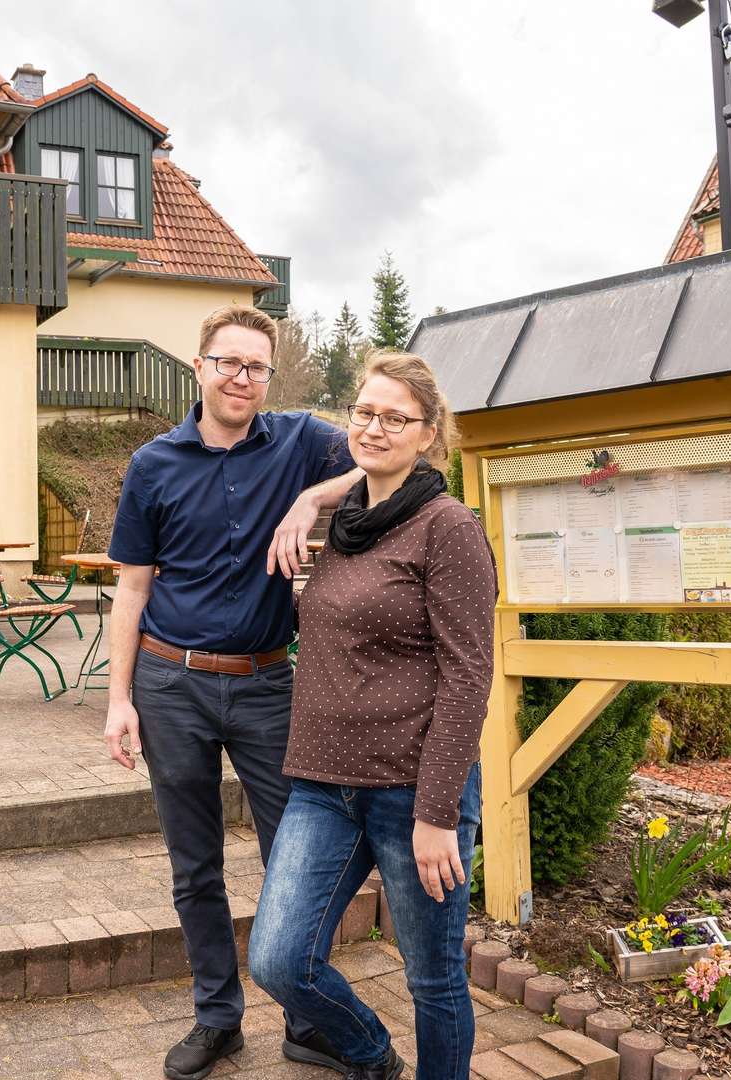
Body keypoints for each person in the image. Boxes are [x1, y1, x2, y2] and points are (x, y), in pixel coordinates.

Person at [105, 304, 363, 1080]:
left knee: (296, 858)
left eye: (256, 366)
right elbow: (132, 587)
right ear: (200, 366)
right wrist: (119, 699)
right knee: (195, 865)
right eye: (228, 362)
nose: (241, 378)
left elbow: (398, 460)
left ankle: (306, 1019)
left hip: (267, 684)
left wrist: (312, 498)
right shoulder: (153, 464)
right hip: (170, 682)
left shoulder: (301, 442)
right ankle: (217, 1018)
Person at [247, 351, 497, 1080]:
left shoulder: (447, 528)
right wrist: (312, 505)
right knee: (279, 959)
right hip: (323, 785)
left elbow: (468, 674)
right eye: (363, 411)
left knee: (434, 979)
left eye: (395, 417)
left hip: (411, 791)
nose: (374, 427)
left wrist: (437, 811)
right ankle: (369, 1055)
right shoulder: (348, 520)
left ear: (428, 435)